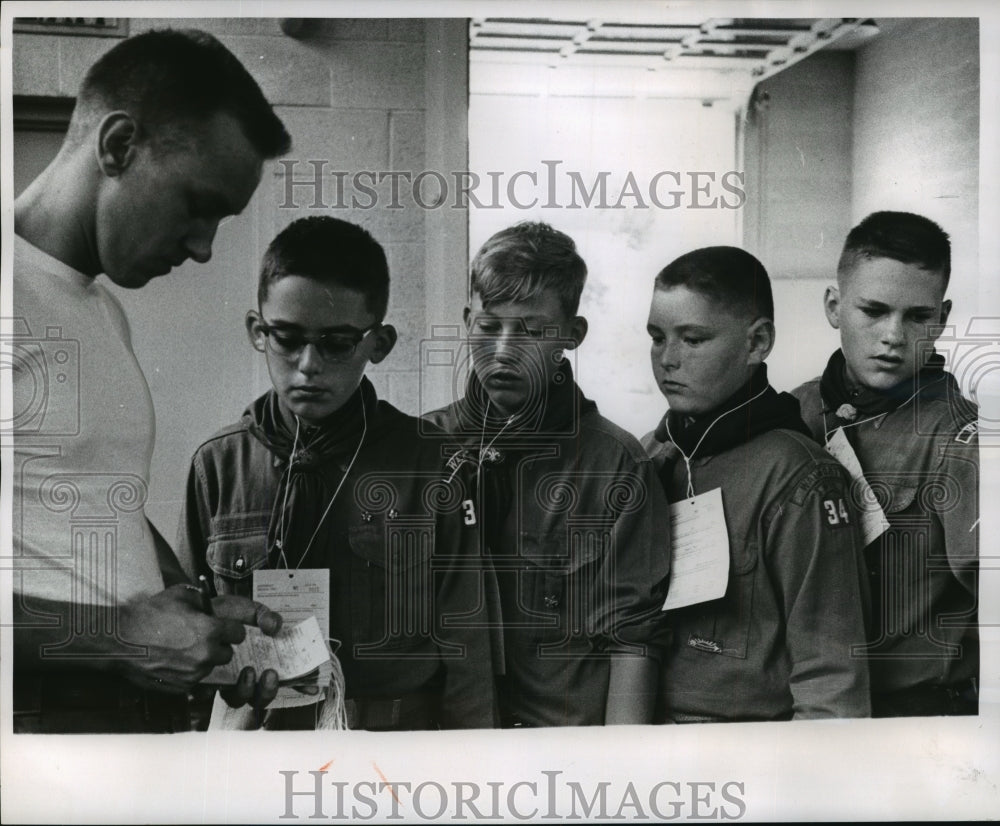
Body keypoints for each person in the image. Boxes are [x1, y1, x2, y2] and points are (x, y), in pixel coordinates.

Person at [11, 28, 292, 733]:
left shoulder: (98, 306)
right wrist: (125, 637)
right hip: (37, 721)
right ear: (117, 145)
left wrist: (187, 608)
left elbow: (92, 495)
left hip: (119, 713)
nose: (202, 248)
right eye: (197, 205)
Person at [176, 216, 496, 730]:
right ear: (258, 331)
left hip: (390, 748)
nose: (308, 364)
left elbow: (468, 647)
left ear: (379, 343)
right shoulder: (218, 465)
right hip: (252, 737)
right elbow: (185, 629)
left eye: (337, 343)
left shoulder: (432, 464)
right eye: (287, 337)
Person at [424, 221, 672, 727]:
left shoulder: (616, 467)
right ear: (466, 320)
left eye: (532, 331)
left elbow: (632, 644)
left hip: (561, 761)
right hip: (442, 755)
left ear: (571, 336)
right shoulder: (419, 450)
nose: (503, 351)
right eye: (489, 327)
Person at [642, 246, 871, 722]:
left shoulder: (802, 478)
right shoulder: (650, 456)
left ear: (757, 342)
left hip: (747, 756)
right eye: (657, 337)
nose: (668, 359)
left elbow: (832, 680)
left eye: (693, 339)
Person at [792, 212, 979, 717]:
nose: (893, 335)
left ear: (941, 318)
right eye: (872, 310)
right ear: (834, 306)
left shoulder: (963, 441)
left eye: (917, 316)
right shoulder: (793, 415)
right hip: (803, 705)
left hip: (916, 715)